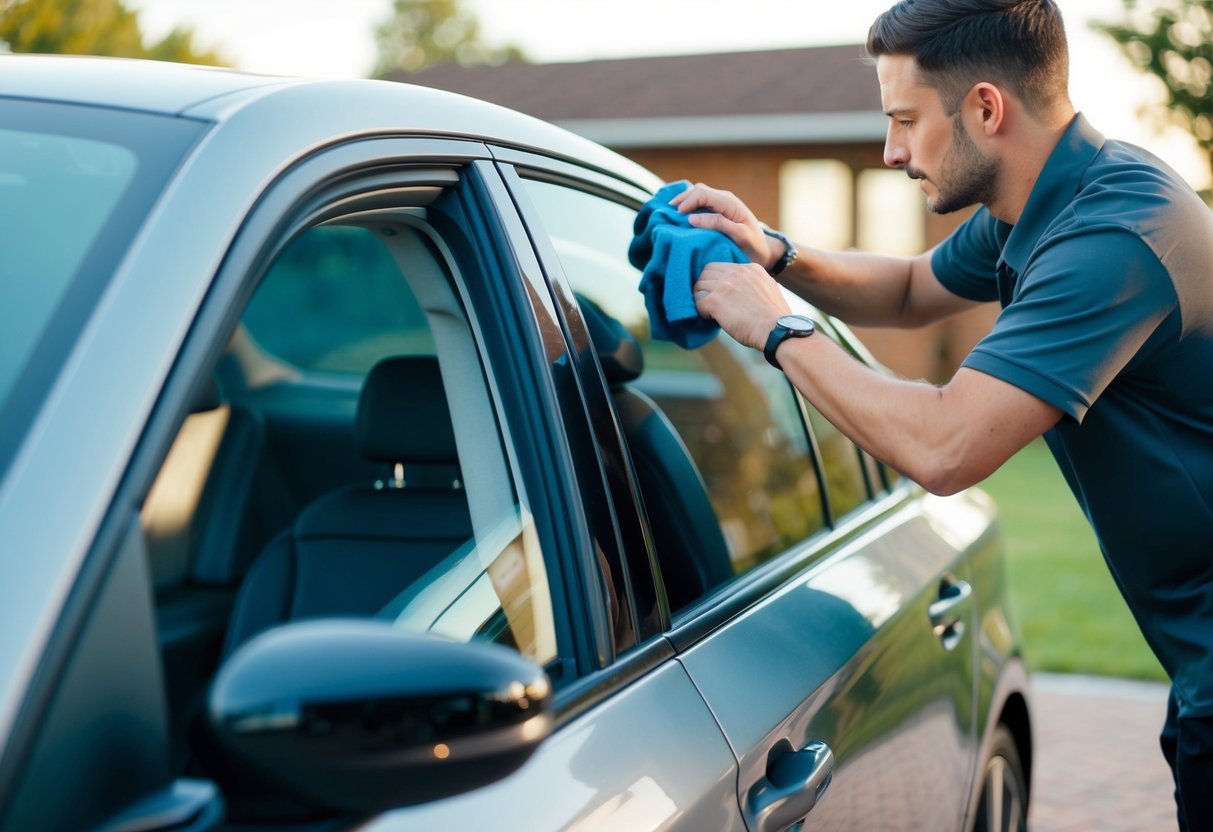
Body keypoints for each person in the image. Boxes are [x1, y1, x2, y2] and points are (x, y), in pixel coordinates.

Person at [677, 0, 1213, 827]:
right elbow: (906, 288)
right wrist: (775, 254)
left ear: (985, 108)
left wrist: (776, 329)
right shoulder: (1034, 207)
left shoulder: (1112, 236)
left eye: (902, 120)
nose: (891, 151)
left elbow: (943, 445)